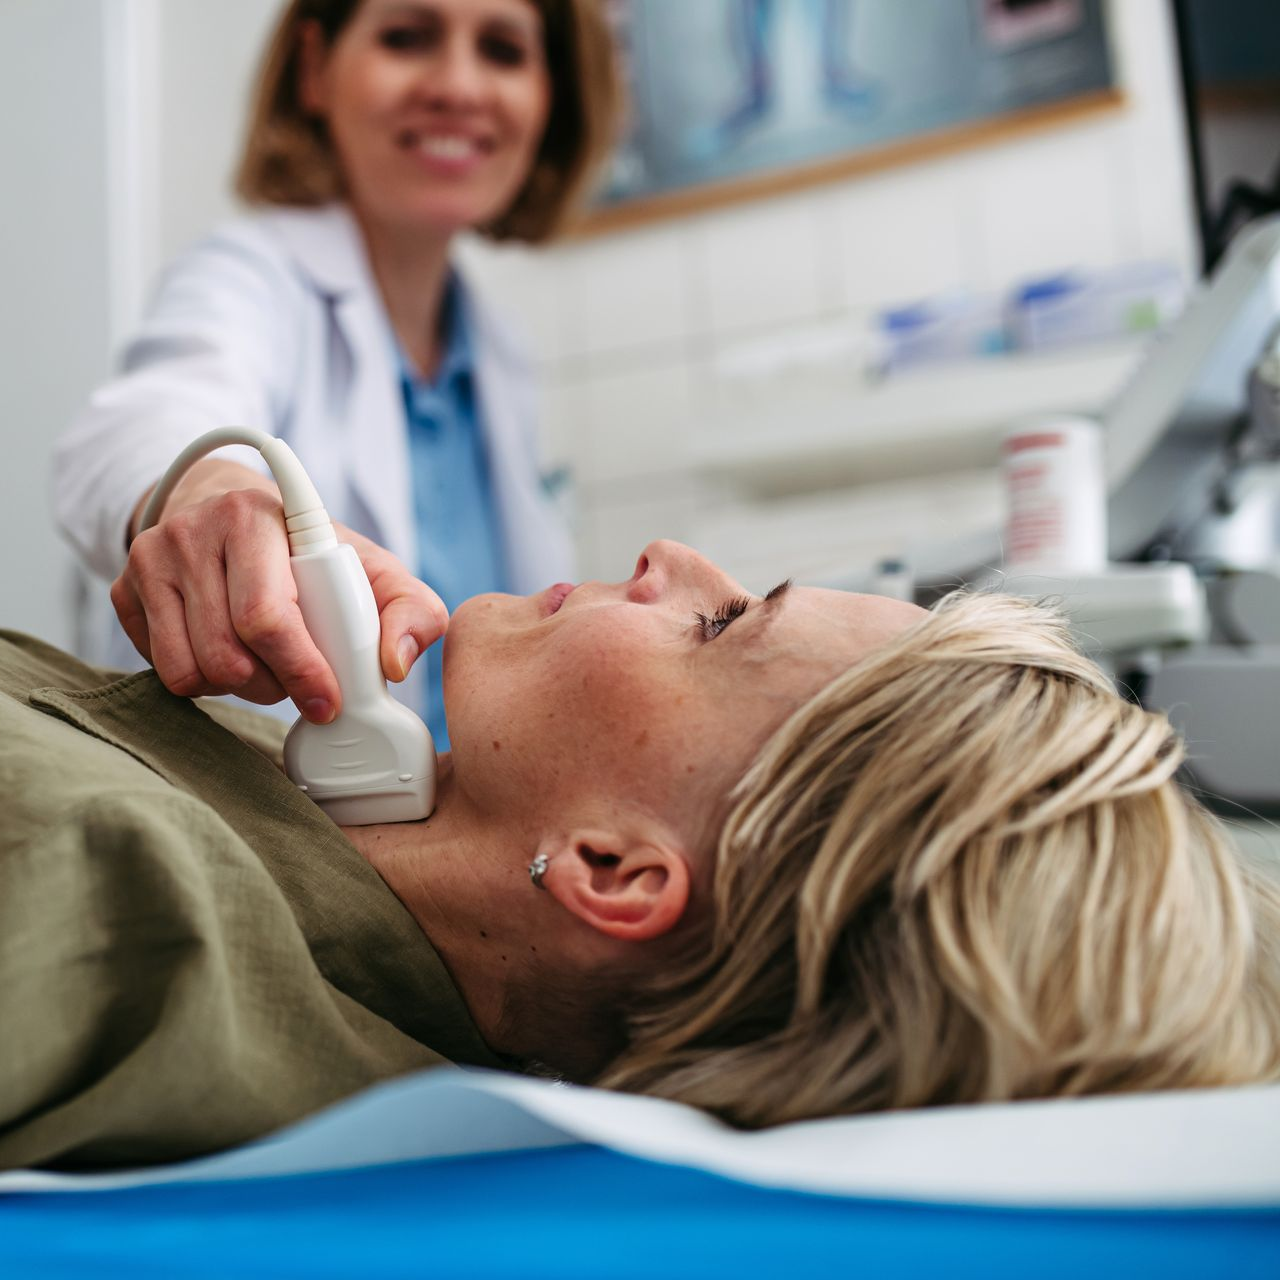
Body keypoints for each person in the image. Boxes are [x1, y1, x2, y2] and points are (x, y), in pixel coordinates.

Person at [1, 540, 1277, 1172]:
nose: (667, 561)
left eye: (719, 626)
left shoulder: (101, 890)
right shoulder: (244, 817)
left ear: (614, 868)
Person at [53, 0, 620, 749]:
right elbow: (138, 426)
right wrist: (208, 491)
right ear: (317, 70)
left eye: (504, 50)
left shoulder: (499, 357)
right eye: (406, 38)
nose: (457, 85)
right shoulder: (249, 278)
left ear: (551, 97)